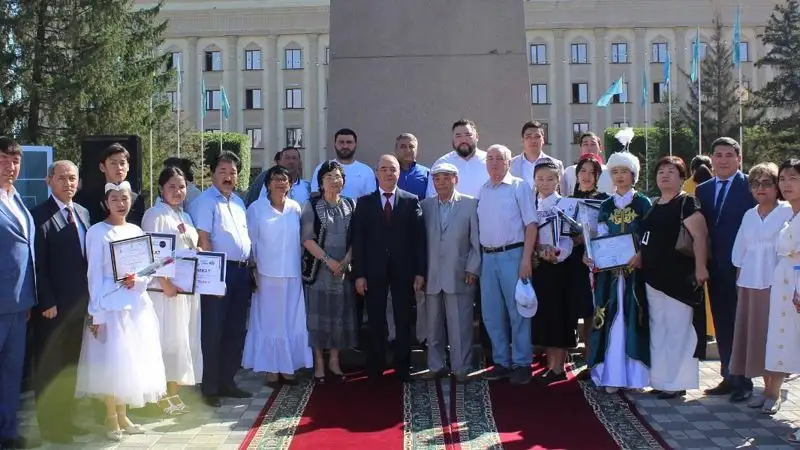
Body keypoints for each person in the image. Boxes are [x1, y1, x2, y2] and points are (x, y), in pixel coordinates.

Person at [74, 181, 167, 442]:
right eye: (115, 199)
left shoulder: (136, 230)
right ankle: (110, 417)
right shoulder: (96, 232)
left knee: (130, 363)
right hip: (110, 306)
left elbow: (146, 270)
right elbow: (93, 275)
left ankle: (124, 415)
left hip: (135, 306)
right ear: (106, 202)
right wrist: (97, 313)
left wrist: (136, 280)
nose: (120, 203)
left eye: (124, 198)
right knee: (111, 364)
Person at [351, 155, 426, 382]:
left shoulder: (411, 200)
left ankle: (403, 367)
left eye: (392, 169)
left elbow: (419, 241)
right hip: (373, 271)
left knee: (403, 320)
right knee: (375, 320)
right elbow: (359, 241)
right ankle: (375, 366)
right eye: (383, 169)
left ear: (398, 173)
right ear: (376, 173)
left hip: (403, 271)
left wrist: (420, 272)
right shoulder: (364, 203)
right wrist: (359, 274)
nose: (388, 173)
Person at [30, 160, 91, 444]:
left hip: (79, 307)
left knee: (70, 369)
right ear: (49, 181)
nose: (69, 184)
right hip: (53, 309)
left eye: (73, 178)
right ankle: (51, 427)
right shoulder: (39, 215)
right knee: (50, 369)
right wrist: (46, 301)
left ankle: (67, 421)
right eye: (62, 178)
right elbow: (37, 265)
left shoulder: (82, 213)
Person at [639, 156, 709, 399]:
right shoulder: (654, 204)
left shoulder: (687, 203)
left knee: (679, 330)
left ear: (682, 178)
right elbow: (647, 238)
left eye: (671, 171)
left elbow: (700, 237)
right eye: (661, 171)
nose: (665, 175)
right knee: (658, 329)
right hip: (653, 279)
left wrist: (701, 268)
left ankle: (677, 382)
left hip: (680, 279)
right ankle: (660, 380)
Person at [189, 151, 253, 407]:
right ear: (212, 174)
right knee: (213, 330)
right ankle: (210, 386)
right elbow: (203, 240)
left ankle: (228, 381)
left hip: (241, 271)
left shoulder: (238, 201)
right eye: (223, 172)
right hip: (217, 270)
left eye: (233, 172)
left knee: (235, 328)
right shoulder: (205, 201)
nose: (228, 177)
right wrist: (211, 279)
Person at [584, 151, 652, 393]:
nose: (619, 176)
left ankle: (635, 376)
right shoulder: (606, 205)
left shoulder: (643, 202)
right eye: (615, 172)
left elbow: (648, 235)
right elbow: (601, 235)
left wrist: (642, 254)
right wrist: (591, 254)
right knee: (611, 317)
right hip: (610, 275)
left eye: (624, 171)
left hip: (635, 273)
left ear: (633, 174)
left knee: (634, 317)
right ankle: (611, 374)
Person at [696, 137, 755, 402]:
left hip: (745, 267)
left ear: (739, 158)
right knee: (722, 321)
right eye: (718, 155)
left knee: (743, 323)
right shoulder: (703, 189)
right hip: (715, 266)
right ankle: (728, 374)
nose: (723, 160)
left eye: (729, 155)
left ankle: (744, 379)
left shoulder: (750, 187)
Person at [141, 166, 203, 415]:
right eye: (172, 187)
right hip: (165, 292)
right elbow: (151, 251)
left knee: (183, 341)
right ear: (161, 188)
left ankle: (174, 392)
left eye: (181, 186)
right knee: (166, 341)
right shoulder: (155, 214)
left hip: (186, 292)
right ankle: (159, 395)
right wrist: (165, 282)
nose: (178, 191)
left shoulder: (185, 217)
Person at [243, 165, 313, 386]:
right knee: (270, 322)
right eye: (276, 179)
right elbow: (250, 242)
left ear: (290, 184)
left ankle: (289, 366)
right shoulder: (256, 209)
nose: (281, 183)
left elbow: (301, 240)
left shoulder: (295, 208)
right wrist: (252, 269)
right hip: (266, 275)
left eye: (285, 179)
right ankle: (272, 368)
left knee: (291, 320)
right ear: (268, 184)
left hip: (292, 273)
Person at [730, 163, 790, 413]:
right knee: (755, 338)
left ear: (777, 187)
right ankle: (765, 390)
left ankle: (774, 394)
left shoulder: (788, 212)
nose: (760, 188)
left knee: (774, 338)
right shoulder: (749, 214)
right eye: (755, 184)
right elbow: (739, 252)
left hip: (777, 285)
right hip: (749, 283)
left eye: (767, 183)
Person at [477, 144, 538, 385]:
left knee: (519, 311)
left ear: (508, 163)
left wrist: (526, 258)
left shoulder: (518, 187)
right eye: (489, 158)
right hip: (487, 258)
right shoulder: (483, 190)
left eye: (498, 159)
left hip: (513, 256)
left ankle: (523, 363)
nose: (493, 163)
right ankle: (502, 361)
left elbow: (531, 224)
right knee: (491, 313)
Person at [420, 162, 480, 383]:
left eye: (446, 177)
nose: (441, 182)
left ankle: (461, 367)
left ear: (456, 179)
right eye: (437, 178)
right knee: (433, 326)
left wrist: (473, 267)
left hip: (460, 274)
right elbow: (420, 244)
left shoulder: (470, 204)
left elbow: (476, 242)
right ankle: (435, 366)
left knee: (460, 325)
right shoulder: (424, 206)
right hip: (432, 275)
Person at [301, 161, 358, 383]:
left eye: (338, 176)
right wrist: (329, 261)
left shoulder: (351, 205)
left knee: (338, 315)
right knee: (318, 318)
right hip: (320, 271)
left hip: (343, 271)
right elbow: (307, 240)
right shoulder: (311, 205)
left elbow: (356, 237)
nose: (335, 181)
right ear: (321, 183)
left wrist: (344, 261)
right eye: (329, 177)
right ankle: (319, 364)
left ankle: (335, 360)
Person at [0, 137, 38, 449]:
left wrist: (29, 297)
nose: (9, 167)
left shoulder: (17, 199)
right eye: (3, 160)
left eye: (14, 161)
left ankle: (8, 432)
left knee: (12, 373)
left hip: (19, 305)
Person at [566, 153, 609, 377]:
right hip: (571, 259)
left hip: (594, 259)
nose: (586, 176)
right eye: (583, 171)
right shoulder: (567, 199)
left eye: (592, 172)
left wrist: (585, 238)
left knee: (592, 309)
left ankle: (592, 359)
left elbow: (604, 229)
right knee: (576, 308)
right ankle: (578, 353)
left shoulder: (604, 199)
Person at [531, 160, 574, 384]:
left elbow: (570, 238)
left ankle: (559, 366)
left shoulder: (566, 204)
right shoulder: (531, 204)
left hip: (559, 267)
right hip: (539, 267)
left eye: (550, 178)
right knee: (545, 316)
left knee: (559, 316)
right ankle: (550, 365)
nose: (545, 183)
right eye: (540, 179)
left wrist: (557, 254)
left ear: (558, 180)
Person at [771, 159, 800, 444]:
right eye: (783, 178)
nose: (786, 184)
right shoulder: (791, 215)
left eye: (793, 178)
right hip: (787, 290)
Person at [682, 154, 715, 342]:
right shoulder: (713, 185)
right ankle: (712, 329)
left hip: (690, 245)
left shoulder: (687, 186)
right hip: (713, 242)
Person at [75, 143, 146, 226]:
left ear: (128, 167)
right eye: (113, 163)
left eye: (122, 163)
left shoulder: (137, 200)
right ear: (102, 167)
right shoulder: (88, 198)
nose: (119, 168)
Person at [427, 119, 488, 198]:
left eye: (468, 135)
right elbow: (432, 196)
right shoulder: (442, 163)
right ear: (453, 139)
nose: (463, 139)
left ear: (477, 137)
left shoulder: (490, 161)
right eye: (458, 136)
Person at [311, 129, 377, 200]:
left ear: (355, 144)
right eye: (341, 142)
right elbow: (315, 195)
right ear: (335, 144)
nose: (345, 146)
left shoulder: (366, 171)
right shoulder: (322, 168)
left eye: (349, 142)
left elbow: (371, 199)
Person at [247, 147, 312, 207]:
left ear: (299, 163)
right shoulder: (267, 183)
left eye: (294, 158)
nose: (291, 161)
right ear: (279, 162)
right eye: (287, 158)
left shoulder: (307, 187)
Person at [509, 121, 564, 190]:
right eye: (528, 136)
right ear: (523, 140)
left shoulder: (556, 164)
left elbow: (562, 193)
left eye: (537, 136)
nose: (533, 140)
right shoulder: (511, 164)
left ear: (543, 140)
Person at [395, 133, 430, 200]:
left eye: (411, 146)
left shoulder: (427, 174)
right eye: (403, 146)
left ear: (416, 150)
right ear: (396, 150)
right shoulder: (387, 173)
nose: (407, 150)